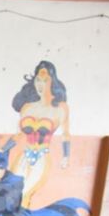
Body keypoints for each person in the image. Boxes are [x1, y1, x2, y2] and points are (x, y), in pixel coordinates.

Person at [9, 60, 71, 207]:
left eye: (45, 80)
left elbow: (65, 135)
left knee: (26, 193)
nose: (40, 84)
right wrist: (3, 149)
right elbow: (18, 134)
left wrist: (66, 156)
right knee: (12, 193)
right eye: (38, 80)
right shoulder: (27, 107)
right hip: (24, 156)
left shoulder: (60, 108)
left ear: (52, 82)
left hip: (42, 157)